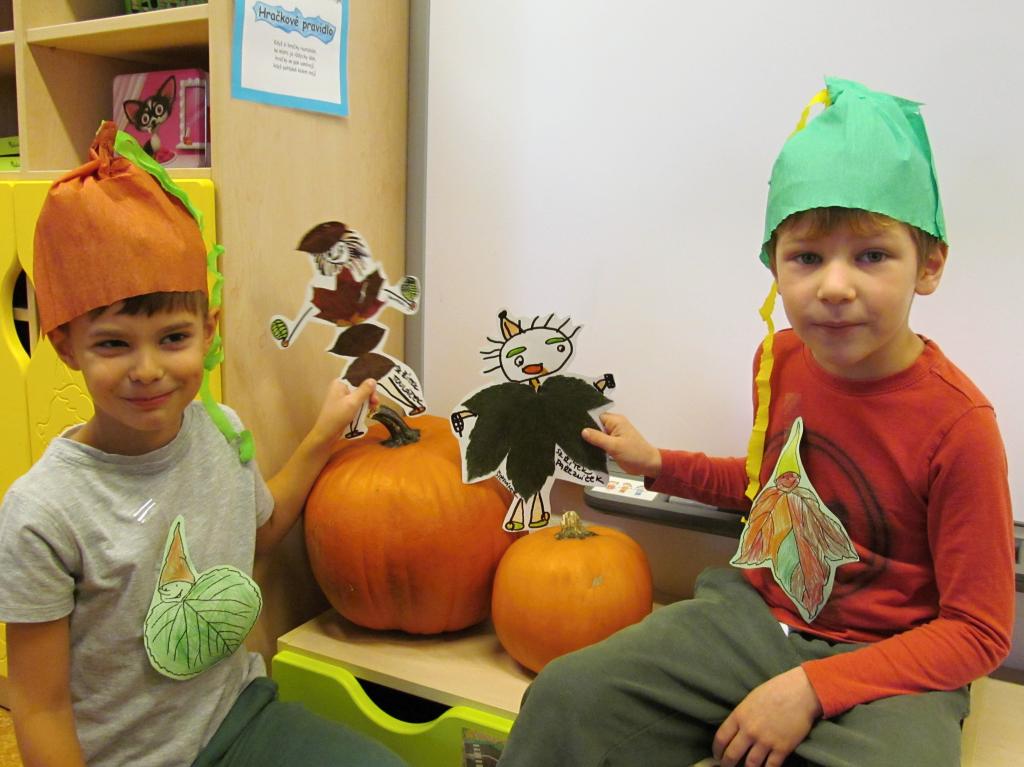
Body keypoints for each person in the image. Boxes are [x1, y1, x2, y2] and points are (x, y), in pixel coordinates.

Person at [497, 78, 1015, 767]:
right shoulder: (781, 360)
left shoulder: (960, 425)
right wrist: (659, 466)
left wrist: (812, 688)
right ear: (773, 264)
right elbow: (770, 491)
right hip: (752, 621)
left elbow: (979, 631)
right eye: (807, 257)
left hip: (892, 664)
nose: (834, 286)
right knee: (568, 698)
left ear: (930, 264)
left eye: (871, 255)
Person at [0, 122, 408, 767]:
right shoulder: (42, 514)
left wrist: (323, 435)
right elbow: (39, 708)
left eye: (173, 338)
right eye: (113, 343)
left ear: (208, 330)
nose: (147, 369)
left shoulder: (220, 431)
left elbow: (258, 533)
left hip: (237, 717)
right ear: (65, 345)